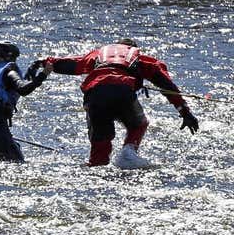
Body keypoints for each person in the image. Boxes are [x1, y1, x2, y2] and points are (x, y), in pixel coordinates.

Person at [37, 38, 198, 168]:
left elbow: (72, 64)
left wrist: (43, 63)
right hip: (123, 91)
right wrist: (185, 111)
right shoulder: (139, 57)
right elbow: (167, 85)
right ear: (133, 48)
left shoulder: (98, 55)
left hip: (95, 94)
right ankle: (128, 151)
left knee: (100, 144)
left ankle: (96, 169)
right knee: (138, 124)